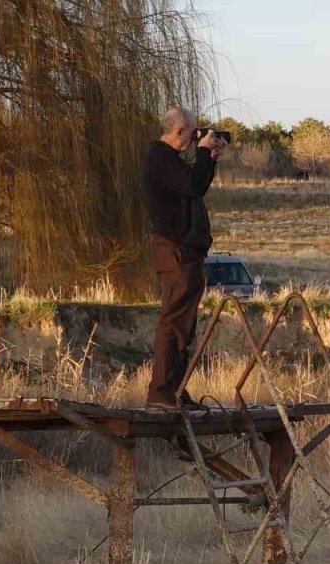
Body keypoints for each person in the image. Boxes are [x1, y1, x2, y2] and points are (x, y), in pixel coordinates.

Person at [143, 106, 228, 411]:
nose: (196, 138)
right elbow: (193, 187)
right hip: (175, 250)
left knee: (184, 323)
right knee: (174, 321)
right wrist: (204, 154)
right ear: (180, 132)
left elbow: (195, 186)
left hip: (184, 251)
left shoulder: (168, 161)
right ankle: (162, 392)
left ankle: (175, 391)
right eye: (193, 133)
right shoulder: (161, 159)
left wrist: (210, 158)